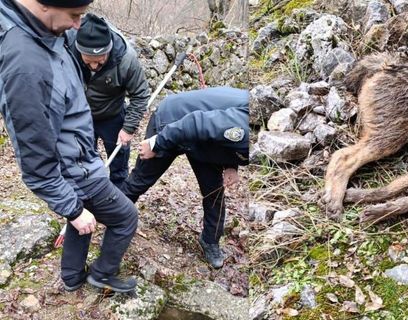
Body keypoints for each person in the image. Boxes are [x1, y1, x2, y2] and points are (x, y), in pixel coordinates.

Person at [0, 0, 137, 293]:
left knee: (84, 217)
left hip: (78, 159)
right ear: (45, 4)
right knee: (126, 217)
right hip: (77, 170)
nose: (77, 26)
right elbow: (36, 165)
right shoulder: (26, 66)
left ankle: (72, 278)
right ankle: (101, 274)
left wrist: (78, 212)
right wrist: (72, 209)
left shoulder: (43, 29)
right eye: (74, 16)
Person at [120, 87, 249, 269]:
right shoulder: (245, 124)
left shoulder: (251, 122)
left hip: (203, 141)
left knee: (214, 192)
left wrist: (231, 165)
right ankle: (114, 214)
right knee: (141, 180)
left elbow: (229, 137)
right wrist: (156, 143)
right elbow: (196, 123)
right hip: (173, 120)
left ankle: (209, 241)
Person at [67, 13, 150, 189]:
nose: (95, 66)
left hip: (112, 115)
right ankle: (87, 201)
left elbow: (141, 94)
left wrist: (128, 128)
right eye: (89, 61)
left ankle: (119, 201)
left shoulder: (126, 59)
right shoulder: (66, 47)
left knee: (119, 164)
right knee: (82, 162)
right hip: (80, 115)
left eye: (100, 60)